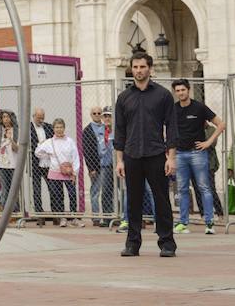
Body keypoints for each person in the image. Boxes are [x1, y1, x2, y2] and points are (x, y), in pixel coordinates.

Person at [114, 53, 178, 257]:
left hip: (156, 154)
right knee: (133, 201)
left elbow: (172, 127)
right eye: (135, 67)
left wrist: (171, 157)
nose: (138, 70)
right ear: (131, 69)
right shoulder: (124, 97)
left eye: (142, 67)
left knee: (161, 200)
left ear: (150, 68)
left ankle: (167, 243)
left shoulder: (163, 95)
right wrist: (119, 160)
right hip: (132, 155)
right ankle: (133, 244)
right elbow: (120, 131)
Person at [171, 79, 225, 235]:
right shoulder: (173, 109)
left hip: (198, 153)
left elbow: (221, 124)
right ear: (175, 92)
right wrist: (171, 153)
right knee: (182, 189)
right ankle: (183, 222)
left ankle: (209, 222)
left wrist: (208, 142)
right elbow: (167, 129)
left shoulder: (199, 107)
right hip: (180, 154)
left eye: (183, 90)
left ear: (188, 90)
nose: (181, 93)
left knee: (204, 188)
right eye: (178, 90)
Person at [35, 118, 83, 227]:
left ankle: (74, 217)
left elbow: (75, 157)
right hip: (55, 172)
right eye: (57, 127)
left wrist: (75, 172)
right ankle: (62, 218)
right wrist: (48, 155)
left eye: (61, 127)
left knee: (72, 195)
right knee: (58, 196)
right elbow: (37, 152)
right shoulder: (49, 142)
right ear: (53, 129)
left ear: (64, 128)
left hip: (69, 172)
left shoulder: (70, 141)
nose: (59, 129)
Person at [82, 107, 115, 226]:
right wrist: (91, 168)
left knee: (111, 190)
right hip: (96, 165)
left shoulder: (107, 128)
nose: (97, 115)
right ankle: (96, 217)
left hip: (110, 164)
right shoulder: (87, 130)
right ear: (91, 115)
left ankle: (112, 215)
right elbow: (87, 150)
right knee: (96, 191)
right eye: (94, 113)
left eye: (99, 113)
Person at [29, 108, 54, 224]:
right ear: (34, 116)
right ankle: (40, 215)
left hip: (48, 162)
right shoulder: (28, 127)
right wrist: (40, 145)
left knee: (53, 188)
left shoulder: (49, 127)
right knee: (37, 189)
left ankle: (56, 213)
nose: (41, 120)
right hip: (35, 163)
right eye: (39, 117)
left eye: (43, 117)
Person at [0, 111, 19, 211]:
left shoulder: (16, 131)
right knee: (5, 190)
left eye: (8, 117)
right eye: (3, 117)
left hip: (13, 165)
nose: (6, 119)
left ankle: (16, 212)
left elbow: (16, 149)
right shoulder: (0, 132)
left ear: (12, 118)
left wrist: (11, 139)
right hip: (2, 165)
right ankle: (6, 212)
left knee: (14, 189)